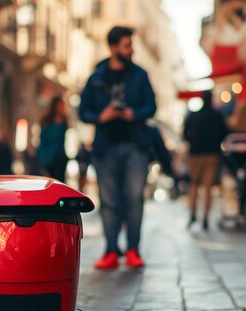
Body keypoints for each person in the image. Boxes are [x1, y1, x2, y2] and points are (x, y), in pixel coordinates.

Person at [79, 25, 157, 269]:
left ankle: (133, 249)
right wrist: (101, 117)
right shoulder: (96, 77)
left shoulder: (140, 75)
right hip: (106, 147)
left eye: (131, 45)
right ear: (113, 48)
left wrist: (133, 113)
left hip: (135, 145)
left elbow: (152, 106)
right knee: (109, 201)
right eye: (127, 45)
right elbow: (83, 111)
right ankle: (111, 250)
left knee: (134, 198)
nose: (131, 49)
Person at [183, 91, 229, 231]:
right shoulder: (217, 116)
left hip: (195, 154)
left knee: (194, 185)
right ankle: (205, 217)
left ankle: (193, 214)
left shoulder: (193, 115)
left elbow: (185, 134)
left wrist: (193, 142)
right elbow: (224, 134)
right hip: (212, 154)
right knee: (208, 188)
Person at [38, 96, 69, 182]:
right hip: (49, 156)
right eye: (61, 105)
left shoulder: (64, 120)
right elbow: (43, 140)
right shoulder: (47, 121)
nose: (62, 107)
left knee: (60, 182)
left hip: (61, 157)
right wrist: (43, 157)